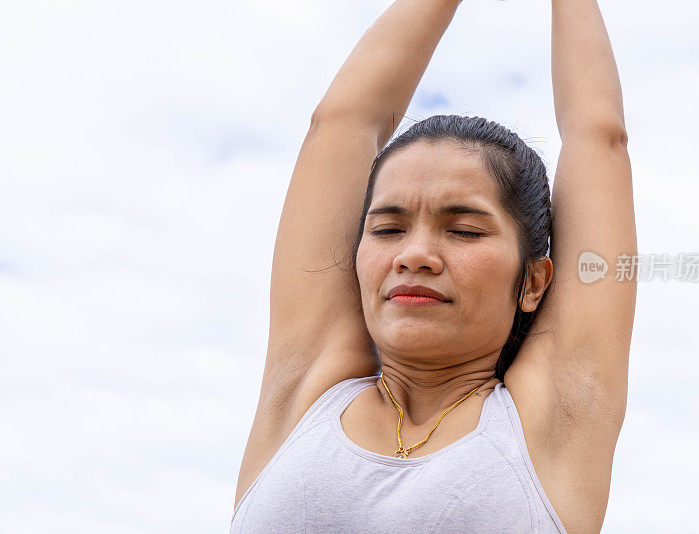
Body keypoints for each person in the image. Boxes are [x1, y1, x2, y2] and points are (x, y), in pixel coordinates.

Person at [231, 0, 636, 532]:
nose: (413, 255)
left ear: (533, 281)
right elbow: (341, 123)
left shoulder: (553, 421)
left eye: (464, 230)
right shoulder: (306, 391)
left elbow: (598, 137)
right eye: (387, 229)